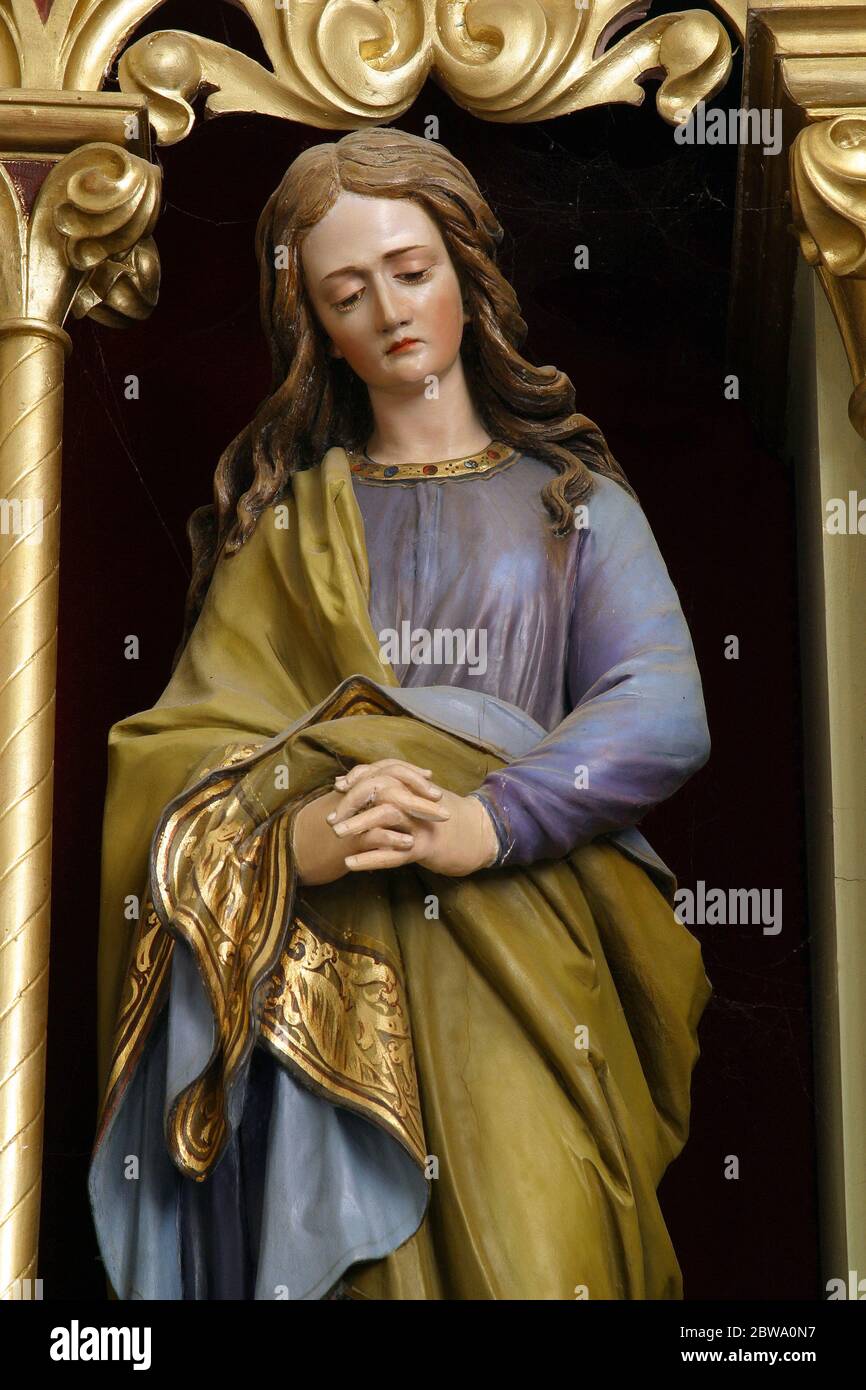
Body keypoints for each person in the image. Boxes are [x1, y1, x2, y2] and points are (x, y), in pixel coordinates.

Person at [89, 127, 713, 1300]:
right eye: (346, 290)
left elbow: (661, 706)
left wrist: (488, 821)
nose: (387, 309)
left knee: (545, 1256)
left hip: (526, 961)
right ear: (315, 328)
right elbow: (179, 767)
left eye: (410, 270)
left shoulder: (573, 511)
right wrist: (289, 845)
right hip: (335, 984)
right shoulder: (284, 537)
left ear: (466, 276)